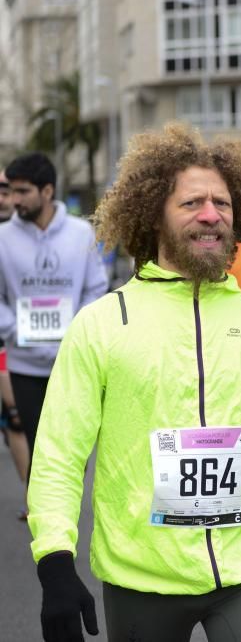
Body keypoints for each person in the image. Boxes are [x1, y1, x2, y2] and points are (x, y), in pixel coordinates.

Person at [26, 123, 241, 641]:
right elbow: (59, 454)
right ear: (153, 212)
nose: (210, 215)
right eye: (192, 203)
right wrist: (54, 563)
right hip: (140, 574)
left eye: (222, 204)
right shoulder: (102, 324)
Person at [0, 153, 107, 468]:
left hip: (72, 363)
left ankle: (68, 517)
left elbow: (96, 287)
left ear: (47, 192)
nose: (14, 199)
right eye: (12, 191)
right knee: (40, 454)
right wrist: (16, 329)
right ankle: (42, 515)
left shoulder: (80, 233)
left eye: (23, 192)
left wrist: (77, 330)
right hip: (26, 367)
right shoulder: (3, 238)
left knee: (74, 453)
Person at [0, 170, 30, 519]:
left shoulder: (24, 229)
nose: (5, 198)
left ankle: (32, 497)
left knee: (16, 420)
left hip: (11, 341)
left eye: (8, 190)